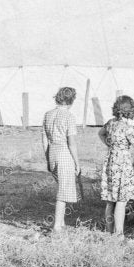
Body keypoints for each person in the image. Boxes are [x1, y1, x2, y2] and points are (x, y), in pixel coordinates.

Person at [97, 95, 134, 235]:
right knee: (121, 201)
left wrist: (110, 144)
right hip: (122, 164)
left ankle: (109, 231)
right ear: (130, 110)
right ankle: (119, 234)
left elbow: (100, 133)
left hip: (111, 161)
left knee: (110, 200)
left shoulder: (110, 123)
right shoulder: (128, 128)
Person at [42, 86, 83, 231]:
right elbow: (71, 143)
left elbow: (44, 140)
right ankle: (57, 226)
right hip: (64, 154)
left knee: (62, 188)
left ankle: (62, 223)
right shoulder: (69, 116)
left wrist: (48, 158)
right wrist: (77, 163)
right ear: (71, 100)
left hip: (52, 153)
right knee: (63, 193)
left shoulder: (48, 114)